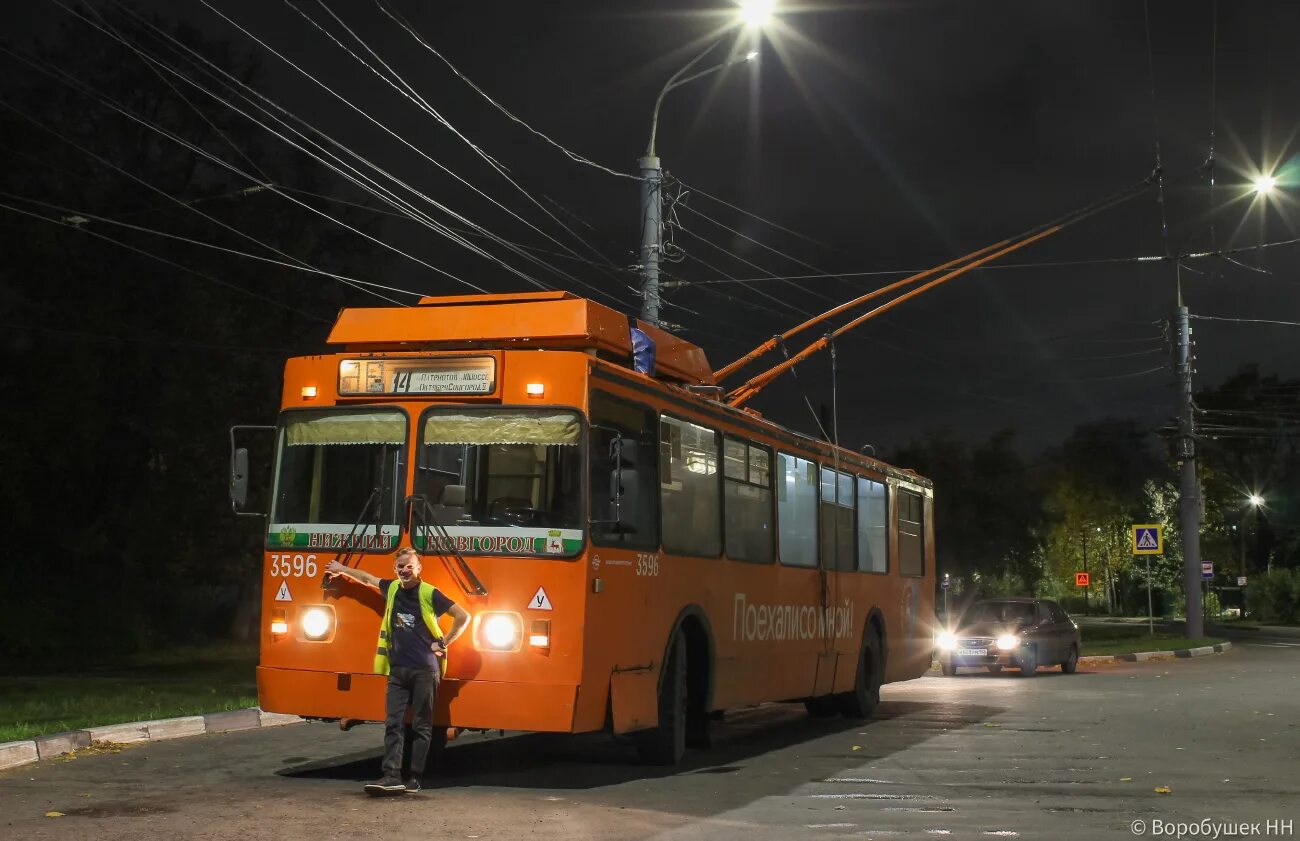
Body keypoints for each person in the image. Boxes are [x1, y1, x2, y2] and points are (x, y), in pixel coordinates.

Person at [326, 548, 470, 795]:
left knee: (422, 726)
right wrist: (342, 570)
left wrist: (444, 642)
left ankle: (415, 778)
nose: (405, 570)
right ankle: (391, 775)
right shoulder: (392, 588)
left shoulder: (429, 593)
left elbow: (463, 616)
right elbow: (369, 579)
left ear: (418, 568)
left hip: (425, 670)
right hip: (398, 670)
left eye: (409, 566)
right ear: (395, 569)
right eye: (400, 566)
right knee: (393, 723)